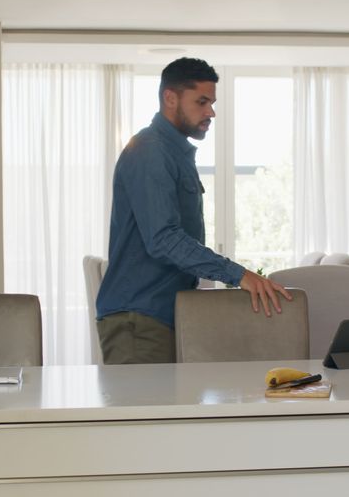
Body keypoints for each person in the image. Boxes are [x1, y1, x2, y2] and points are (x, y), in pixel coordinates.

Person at [95, 57, 291, 364]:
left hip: (161, 315)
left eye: (211, 103)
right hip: (140, 319)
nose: (210, 112)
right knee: (149, 414)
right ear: (170, 98)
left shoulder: (174, 153)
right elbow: (163, 238)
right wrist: (237, 274)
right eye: (201, 102)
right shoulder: (150, 151)